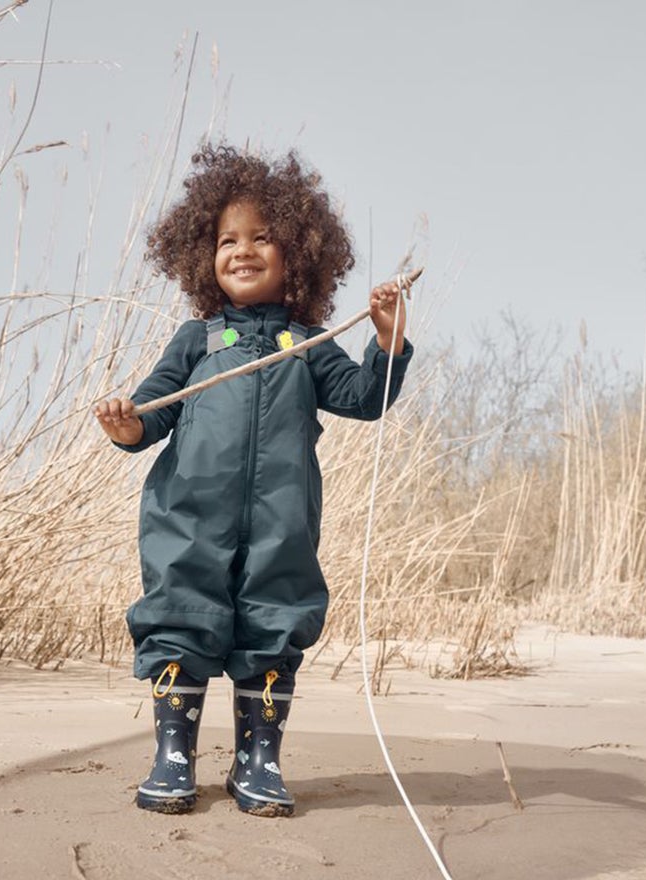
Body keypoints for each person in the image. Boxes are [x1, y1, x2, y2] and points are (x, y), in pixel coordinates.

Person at [94, 144, 414, 818]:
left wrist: (386, 340)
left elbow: (365, 397)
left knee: (274, 622)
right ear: (202, 255)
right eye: (227, 240)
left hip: (282, 522)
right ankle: (173, 755)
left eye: (262, 237)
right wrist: (125, 423)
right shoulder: (197, 339)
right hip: (186, 518)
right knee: (180, 618)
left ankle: (257, 761)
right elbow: (150, 417)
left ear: (298, 252)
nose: (243, 250)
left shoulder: (309, 342)